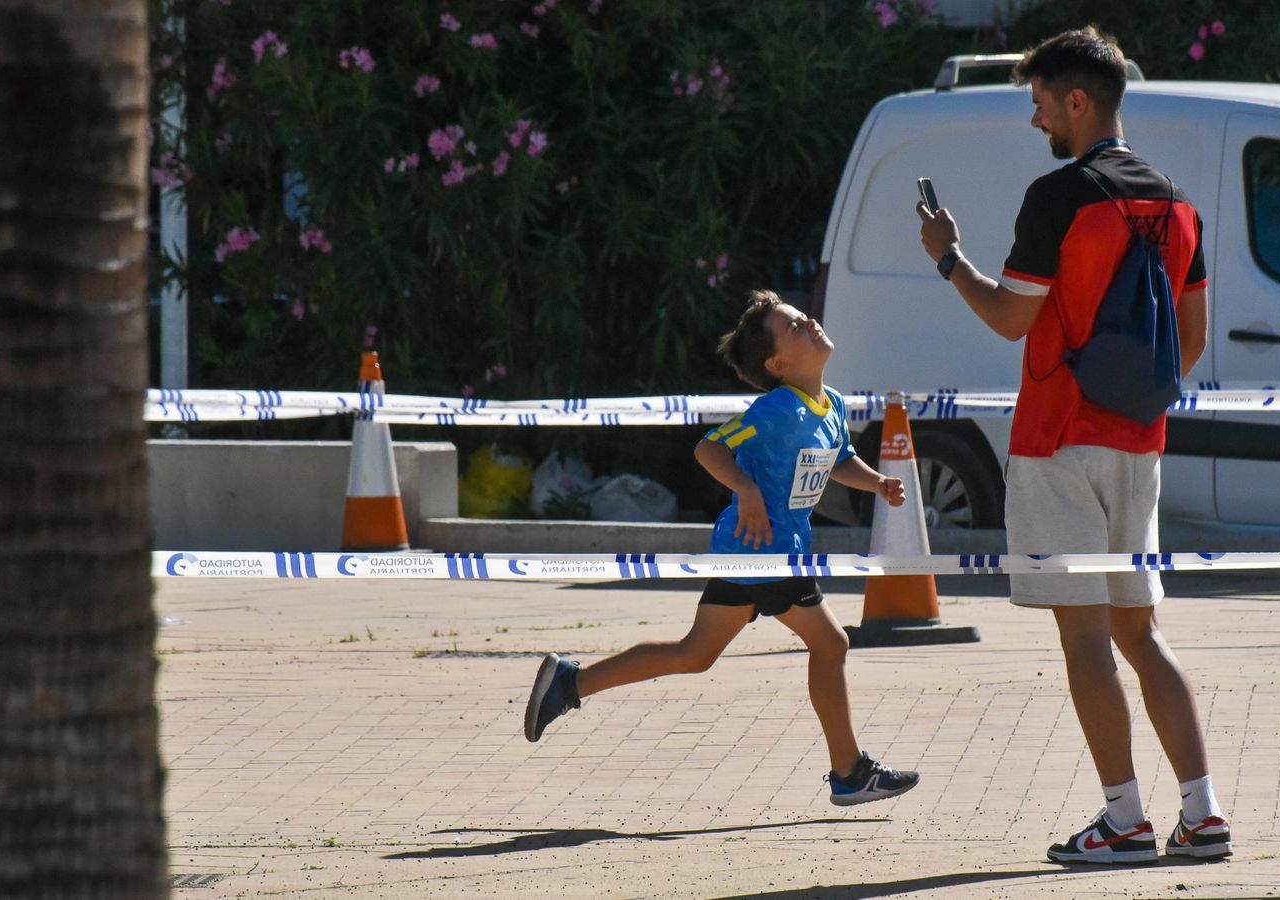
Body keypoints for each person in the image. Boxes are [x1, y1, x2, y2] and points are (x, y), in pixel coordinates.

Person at [915, 27, 1231, 863]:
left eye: (1041, 104)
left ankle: (1123, 820)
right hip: (1140, 443)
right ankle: (1202, 813)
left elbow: (1009, 317)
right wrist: (1132, 402)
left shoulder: (1058, 195)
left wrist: (949, 259)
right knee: (1141, 634)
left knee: (1085, 640)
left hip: (1057, 440)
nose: (1036, 121)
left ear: (1078, 102)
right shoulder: (1178, 201)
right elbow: (1192, 339)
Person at [523, 290, 920, 807]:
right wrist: (747, 490)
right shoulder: (776, 409)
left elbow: (839, 458)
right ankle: (849, 772)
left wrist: (876, 483)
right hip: (763, 552)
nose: (809, 322)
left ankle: (570, 683)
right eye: (794, 326)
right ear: (777, 364)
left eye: (803, 317)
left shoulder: (832, 404)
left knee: (695, 654)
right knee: (831, 644)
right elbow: (709, 447)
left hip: (761, 551)